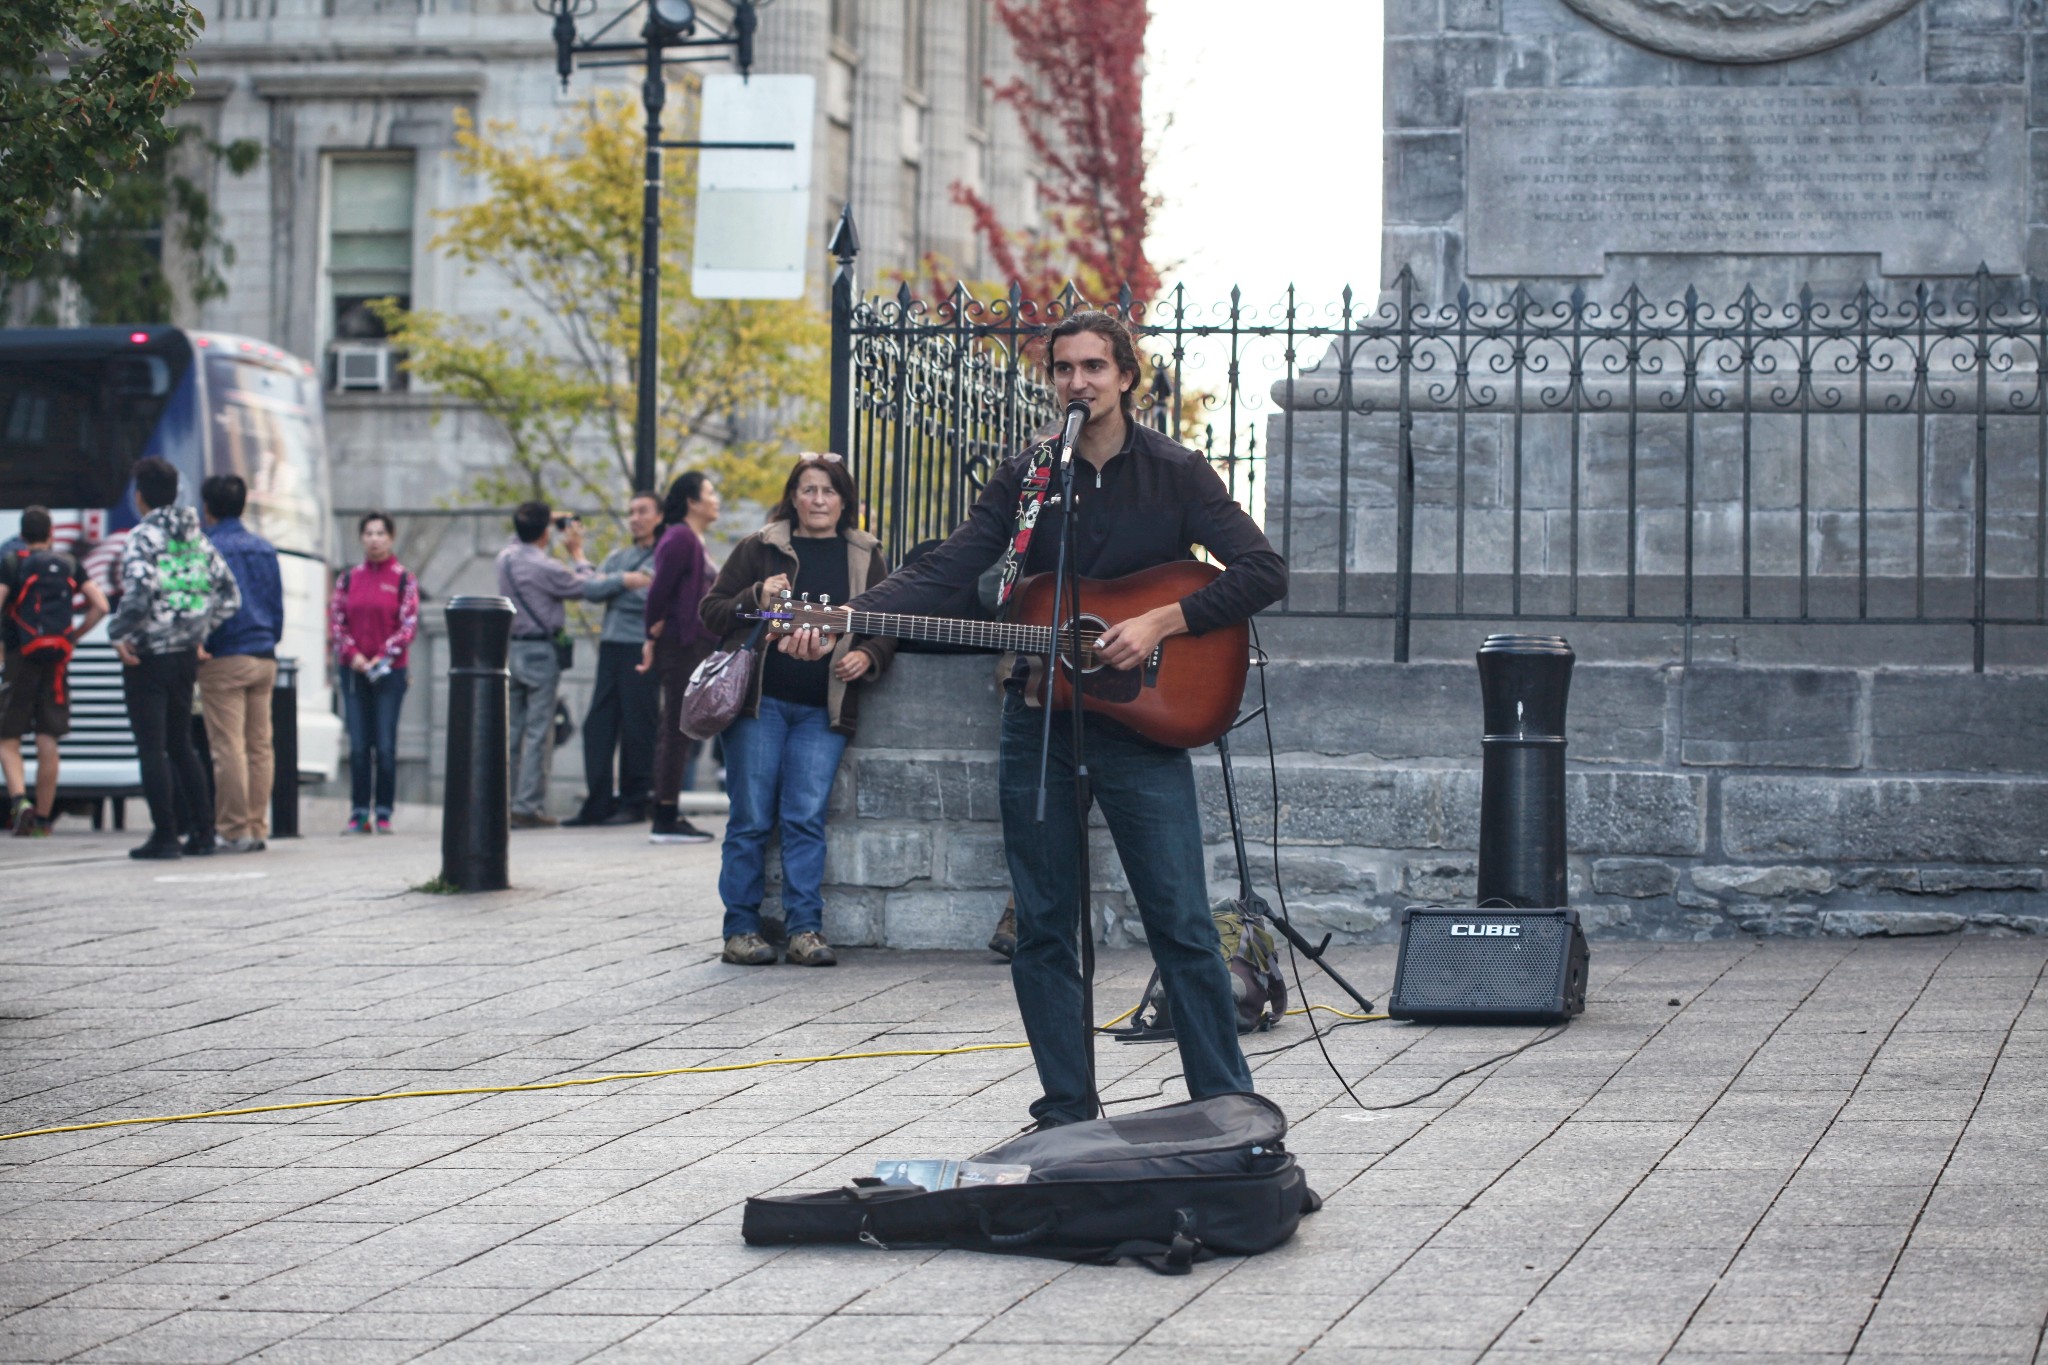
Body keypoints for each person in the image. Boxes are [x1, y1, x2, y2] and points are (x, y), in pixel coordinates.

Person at [842, 311, 1288, 1128]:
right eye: (1063, 369)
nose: (1077, 382)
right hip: (1040, 720)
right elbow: (949, 569)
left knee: (1182, 920)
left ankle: (1224, 1102)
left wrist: (1160, 623)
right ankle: (1066, 1110)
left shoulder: (1177, 473)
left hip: (1146, 725)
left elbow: (1264, 570)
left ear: (1126, 376)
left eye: (1093, 366)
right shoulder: (1027, 478)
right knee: (1044, 924)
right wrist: (847, 613)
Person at [699, 454, 896, 966]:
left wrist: (867, 654)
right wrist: (755, 596)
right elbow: (711, 611)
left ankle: (804, 930)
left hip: (821, 710)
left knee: (805, 818)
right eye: (808, 490)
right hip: (759, 706)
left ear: (844, 500)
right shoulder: (761, 548)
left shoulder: (864, 554)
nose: (818, 501)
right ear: (793, 496)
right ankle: (740, 930)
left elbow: (889, 622)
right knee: (749, 819)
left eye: (828, 492)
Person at [107, 457, 243, 860]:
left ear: (140, 497)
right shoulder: (198, 538)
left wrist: (118, 632)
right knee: (182, 744)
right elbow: (230, 596)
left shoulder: (142, 538)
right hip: (187, 656)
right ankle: (203, 832)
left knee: (152, 747)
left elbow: (140, 593)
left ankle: (165, 835)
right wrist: (198, 630)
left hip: (148, 656)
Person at [0, 507, 110, 836]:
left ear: (23, 534)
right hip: (57, 661)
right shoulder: (70, 564)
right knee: (48, 736)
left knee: (7, 737)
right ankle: (44, 821)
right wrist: (74, 636)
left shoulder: (11, 562)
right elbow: (101, 605)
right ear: (51, 534)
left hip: (20, 658)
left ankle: (20, 801)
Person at [197, 475, 284, 853]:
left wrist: (202, 643)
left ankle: (233, 829)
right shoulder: (264, 548)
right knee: (260, 746)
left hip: (225, 654)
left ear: (208, 508)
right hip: (264, 654)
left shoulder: (208, 547)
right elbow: (277, 606)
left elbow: (204, 604)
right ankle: (257, 825)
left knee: (228, 747)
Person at [497, 500, 595, 828]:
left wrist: (540, 523)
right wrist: (578, 553)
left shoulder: (505, 559)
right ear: (544, 531)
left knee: (511, 730)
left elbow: (519, 538)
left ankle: (502, 802)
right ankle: (527, 807)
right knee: (539, 732)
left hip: (512, 650)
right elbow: (586, 585)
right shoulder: (547, 567)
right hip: (541, 653)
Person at [564, 492, 660, 826]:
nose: (635, 517)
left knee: (638, 726)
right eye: (631, 511)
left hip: (641, 646)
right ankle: (598, 802)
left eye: (643, 511)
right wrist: (625, 581)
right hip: (610, 646)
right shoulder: (620, 556)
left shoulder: (663, 554)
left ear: (660, 516)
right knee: (598, 725)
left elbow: (652, 598)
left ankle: (636, 802)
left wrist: (610, 586)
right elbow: (589, 590)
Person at [640, 470, 722, 845]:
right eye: (709, 492)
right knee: (675, 729)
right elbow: (659, 591)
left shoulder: (694, 539)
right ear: (691, 501)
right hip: (681, 645)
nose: (715, 498)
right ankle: (665, 816)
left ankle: (668, 812)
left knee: (680, 729)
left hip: (694, 646)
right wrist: (651, 632)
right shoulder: (679, 537)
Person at [329, 512, 419, 834]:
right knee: (357, 746)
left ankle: (383, 812)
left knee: (384, 745)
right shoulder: (349, 578)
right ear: (361, 538)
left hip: (390, 673)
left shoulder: (403, 579)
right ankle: (358, 813)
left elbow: (408, 626)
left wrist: (381, 657)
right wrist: (354, 656)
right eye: (368, 533)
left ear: (391, 538)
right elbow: (337, 621)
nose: (374, 539)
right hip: (353, 672)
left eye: (381, 533)